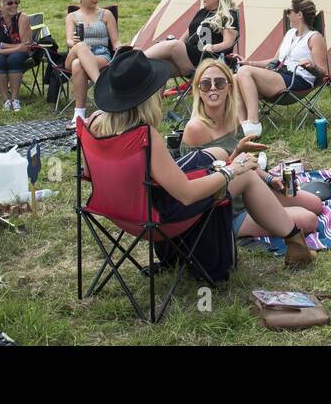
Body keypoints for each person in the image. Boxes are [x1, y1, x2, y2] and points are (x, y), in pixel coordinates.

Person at [83, 48, 316, 267]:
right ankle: (296, 244)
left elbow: (87, 173)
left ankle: (289, 236)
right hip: (159, 218)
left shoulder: (94, 124)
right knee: (245, 176)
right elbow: (186, 194)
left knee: (218, 154)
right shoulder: (145, 137)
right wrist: (231, 170)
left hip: (119, 212)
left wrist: (230, 161)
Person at [182, 58, 323, 241]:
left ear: (230, 87)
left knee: (315, 203)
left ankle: (271, 212)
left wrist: (271, 179)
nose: (213, 88)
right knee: (309, 220)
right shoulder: (196, 129)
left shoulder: (232, 118)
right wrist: (237, 155)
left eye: (220, 82)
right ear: (198, 91)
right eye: (206, 84)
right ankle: (237, 228)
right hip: (224, 207)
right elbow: (203, 181)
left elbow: (245, 163)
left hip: (251, 191)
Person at [233, 0, 329, 125]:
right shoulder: (290, 33)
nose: (287, 15)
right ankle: (242, 125)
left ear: (299, 14)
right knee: (236, 76)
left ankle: (253, 123)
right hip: (280, 74)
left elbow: (323, 72)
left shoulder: (315, 38)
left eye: (289, 11)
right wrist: (249, 63)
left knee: (244, 72)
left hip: (297, 80)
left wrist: (312, 67)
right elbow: (276, 60)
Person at [136, 0, 238, 78]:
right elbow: (187, 34)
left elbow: (228, 43)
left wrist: (213, 47)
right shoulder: (202, 12)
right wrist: (173, 47)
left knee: (174, 45)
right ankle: (138, 71)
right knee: (159, 70)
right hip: (189, 56)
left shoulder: (228, 15)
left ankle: (135, 60)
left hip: (207, 58)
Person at [65, 0, 120, 121]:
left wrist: (123, 50)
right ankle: (101, 85)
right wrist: (74, 42)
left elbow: (115, 42)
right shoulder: (72, 16)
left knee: (78, 65)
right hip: (75, 52)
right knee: (81, 47)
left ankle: (79, 114)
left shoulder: (106, 14)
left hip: (100, 55)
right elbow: (69, 40)